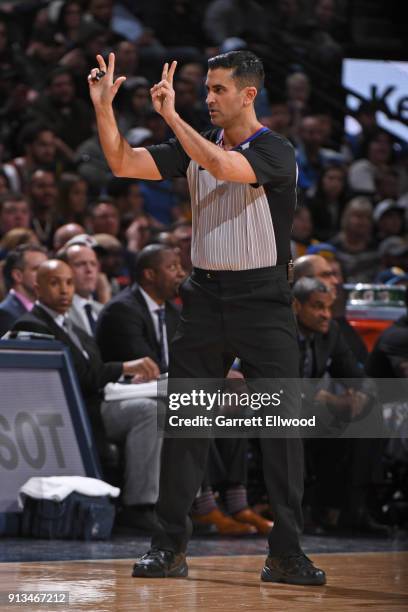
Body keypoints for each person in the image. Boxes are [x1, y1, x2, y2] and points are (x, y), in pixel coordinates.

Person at [88, 49, 325, 585]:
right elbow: (123, 162)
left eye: (219, 90)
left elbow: (223, 167)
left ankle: (286, 554)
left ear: (248, 94)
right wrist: (104, 107)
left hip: (263, 299)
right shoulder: (196, 146)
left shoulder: (274, 149)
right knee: (186, 428)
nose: (208, 99)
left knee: (280, 430)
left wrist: (171, 117)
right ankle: (168, 548)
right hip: (203, 296)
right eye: (207, 90)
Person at [0, 244, 47, 336]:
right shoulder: (5, 314)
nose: (46, 275)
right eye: (37, 269)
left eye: (47, 269)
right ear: (18, 276)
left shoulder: (45, 309)